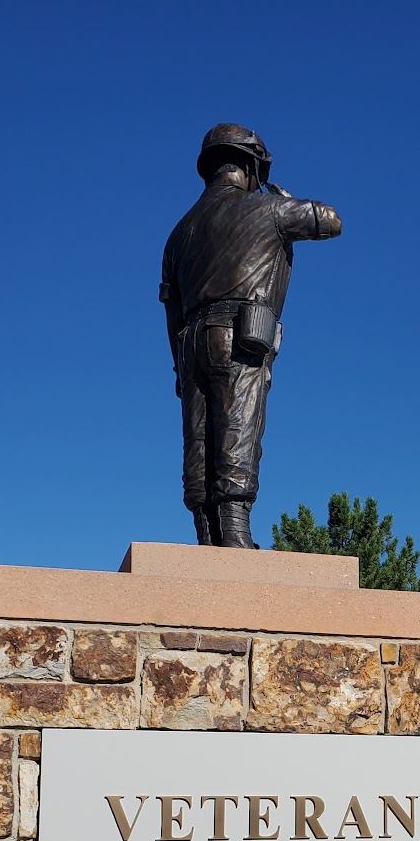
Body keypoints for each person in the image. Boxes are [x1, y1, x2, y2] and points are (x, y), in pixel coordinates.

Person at [160, 124, 342, 547]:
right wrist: (286, 202)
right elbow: (332, 221)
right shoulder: (268, 210)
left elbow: (170, 310)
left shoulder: (178, 233)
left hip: (189, 345)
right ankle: (236, 536)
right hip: (242, 336)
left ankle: (206, 536)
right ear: (250, 163)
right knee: (239, 426)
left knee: (200, 437)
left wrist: (178, 366)